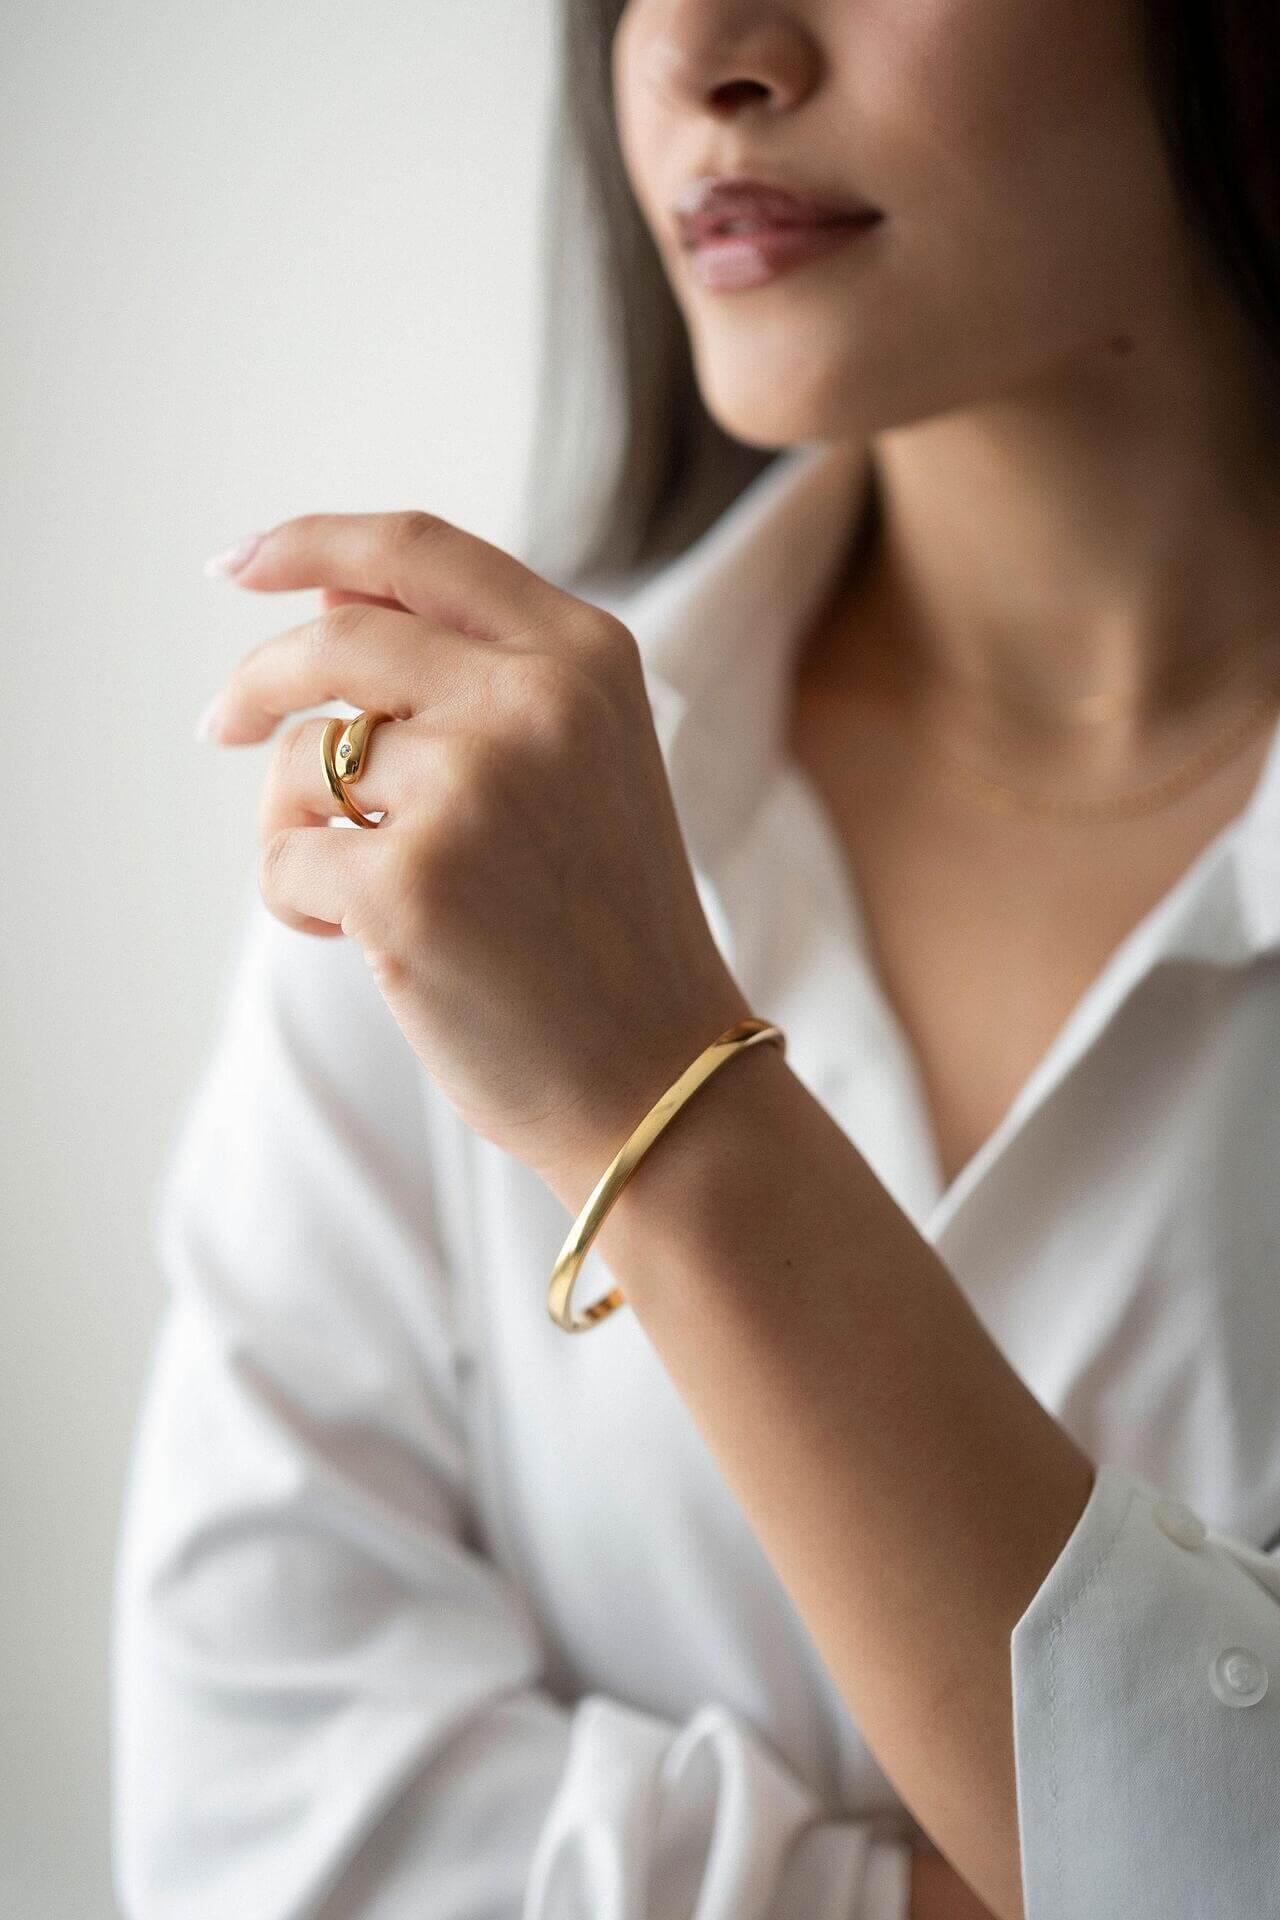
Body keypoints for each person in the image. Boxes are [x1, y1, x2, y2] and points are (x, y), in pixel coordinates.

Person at [112, 3, 1280, 1917]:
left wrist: (664, 1103)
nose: (703, 51)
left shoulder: (507, 856)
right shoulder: (447, 830)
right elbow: (260, 1836)